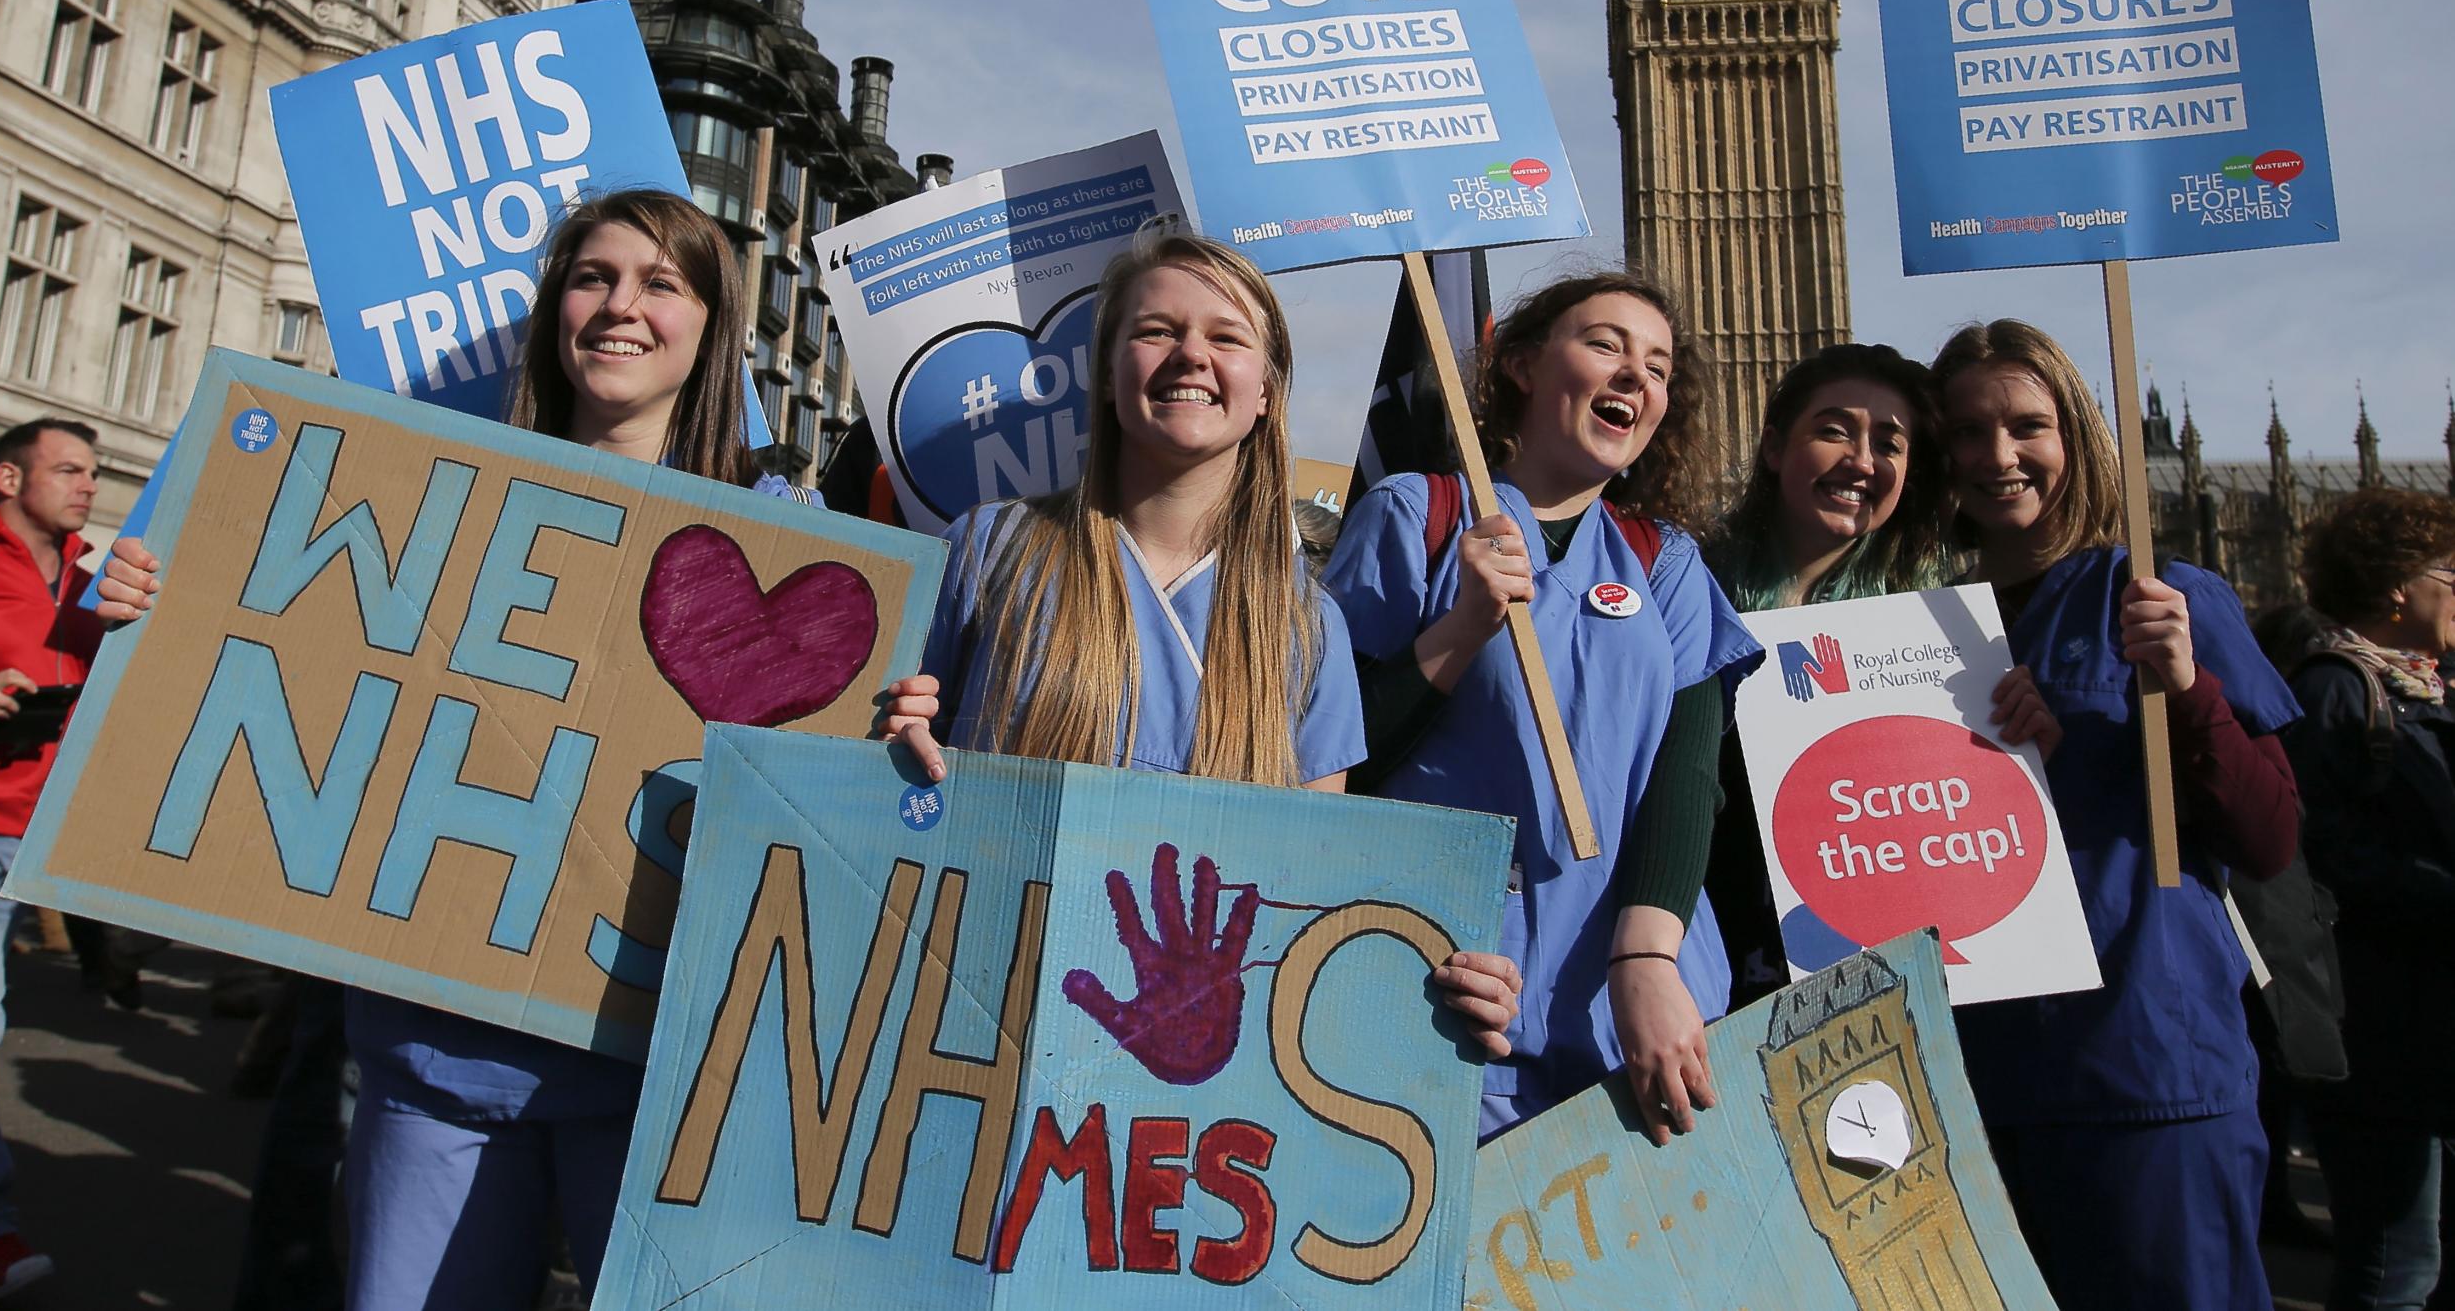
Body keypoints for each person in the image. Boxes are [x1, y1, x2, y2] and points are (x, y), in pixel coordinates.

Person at [101, 189, 805, 1311]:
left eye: (661, 284)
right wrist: (157, 601)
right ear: (552, 311)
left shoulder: (783, 536)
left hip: (660, 1079)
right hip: (435, 1060)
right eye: (592, 278)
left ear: (714, 330)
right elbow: (296, 656)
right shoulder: (435, 486)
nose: (621, 307)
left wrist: (898, 716)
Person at [879, 229, 1519, 1057]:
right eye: (1156, 331)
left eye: (1226, 337)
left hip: (1181, 1074)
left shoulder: (1307, 627)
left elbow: (1309, 886)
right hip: (973, 1004)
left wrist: (1442, 968)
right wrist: (894, 743)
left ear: (1265, 393)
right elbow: (883, 787)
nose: (1190, 355)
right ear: (1109, 376)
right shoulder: (990, 548)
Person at [1319, 269, 1764, 1145]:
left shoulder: (1664, 562)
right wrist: (1460, 630)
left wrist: (1645, 960)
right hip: (1454, 1002)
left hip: (1643, 1015)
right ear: (1522, 365)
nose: (1637, 374)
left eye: (1660, 366)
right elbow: (1331, 765)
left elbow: (1687, 777)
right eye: (1606, 344)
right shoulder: (1417, 515)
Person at [1932, 318, 2300, 1311]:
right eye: (1966, 431)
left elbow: (2269, 839)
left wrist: (2185, 686)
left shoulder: (2162, 594)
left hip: (2139, 1073)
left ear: (2078, 436)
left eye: (2026, 425)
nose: (1996, 455)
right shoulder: (1911, 624)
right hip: (1960, 1093)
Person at [1698, 344, 2057, 1005]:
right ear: (1774, 447)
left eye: (1888, 442)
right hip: (1707, 974)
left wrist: (2022, 741)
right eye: (1835, 429)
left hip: (1883, 988)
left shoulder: (1943, 625)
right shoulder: (1686, 587)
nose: (1862, 459)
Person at [2267, 489, 2455, 1311]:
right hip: (2374, 1024)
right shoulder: (2339, 689)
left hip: (2429, 1018)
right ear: (2396, 589)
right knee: (2394, 1262)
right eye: (2450, 572)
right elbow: (2319, 853)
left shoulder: (2422, 686)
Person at [0, 418, 102, 1300]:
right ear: (10, 477)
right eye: (69, 469)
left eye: (91, 472)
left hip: (55, 836)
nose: (87, 484)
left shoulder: (98, 584)